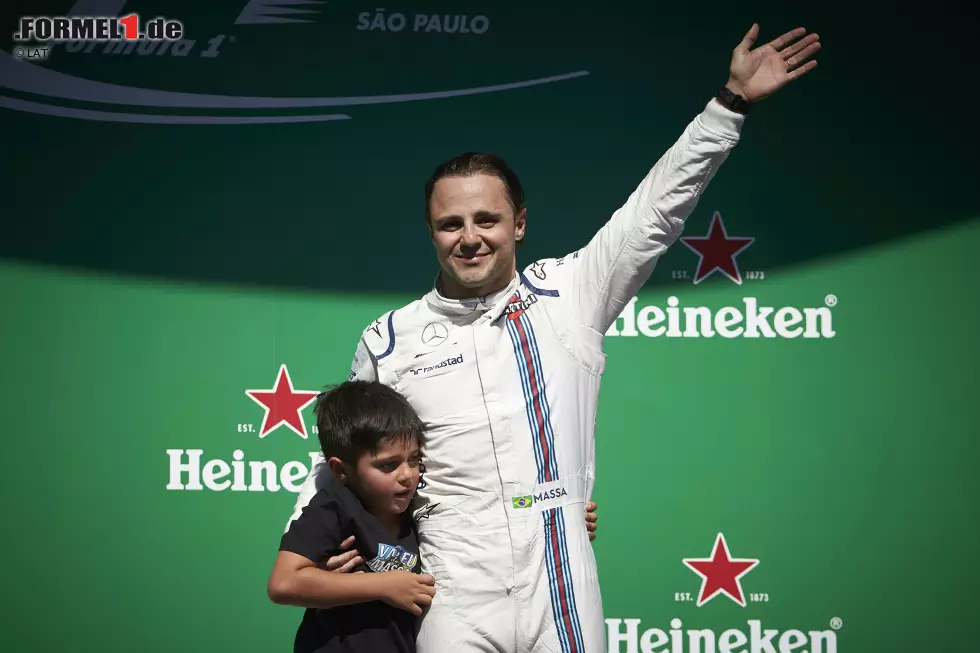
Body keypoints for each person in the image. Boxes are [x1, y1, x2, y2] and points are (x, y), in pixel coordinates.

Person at [290, 23, 820, 653]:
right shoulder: (389, 339)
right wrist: (322, 556)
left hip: (560, 582)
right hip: (451, 588)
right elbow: (342, 464)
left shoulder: (572, 292)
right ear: (432, 233)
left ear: (519, 222)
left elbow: (655, 212)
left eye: (487, 219)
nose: (470, 236)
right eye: (449, 223)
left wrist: (728, 105)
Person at [268, 381, 436, 653]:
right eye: (388, 465)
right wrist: (383, 585)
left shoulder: (419, 513)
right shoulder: (335, 506)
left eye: (414, 459)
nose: (407, 475)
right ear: (340, 470)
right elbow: (282, 583)